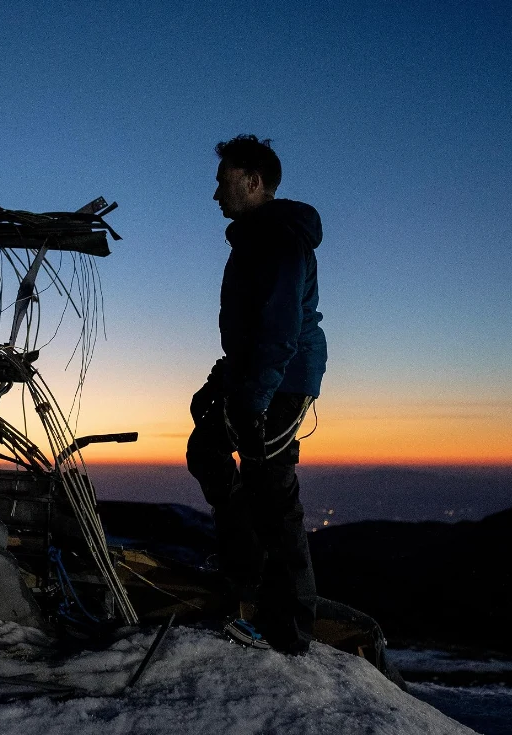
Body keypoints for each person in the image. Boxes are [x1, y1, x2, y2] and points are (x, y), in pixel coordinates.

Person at [187, 134, 326, 654]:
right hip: (256, 373)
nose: (215, 195)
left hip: (282, 379)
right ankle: (244, 569)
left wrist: (253, 397)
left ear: (254, 182)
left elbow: (280, 332)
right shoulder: (254, 238)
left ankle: (288, 629)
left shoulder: (279, 240)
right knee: (207, 451)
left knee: (272, 488)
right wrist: (220, 382)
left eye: (223, 183)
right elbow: (249, 331)